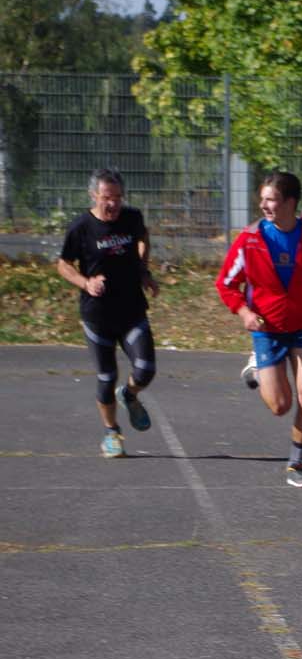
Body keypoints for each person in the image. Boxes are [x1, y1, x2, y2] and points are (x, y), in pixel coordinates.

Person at [215, 172, 302, 488]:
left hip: (301, 329)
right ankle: (257, 367)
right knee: (280, 407)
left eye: (270, 199)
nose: (264, 205)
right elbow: (226, 284)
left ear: (290, 202)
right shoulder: (250, 239)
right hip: (266, 329)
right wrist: (243, 311)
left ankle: (295, 464)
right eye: (263, 199)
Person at [55, 168, 161, 458]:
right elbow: (63, 264)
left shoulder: (132, 217)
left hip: (131, 310)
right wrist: (85, 282)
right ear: (93, 196)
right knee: (106, 376)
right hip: (97, 315)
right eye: (106, 198)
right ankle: (112, 433)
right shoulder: (81, 227)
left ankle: (129, 395)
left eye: (117, 198)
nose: (112, 204)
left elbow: (142, 238)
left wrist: (143, 270)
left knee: (146, 369)